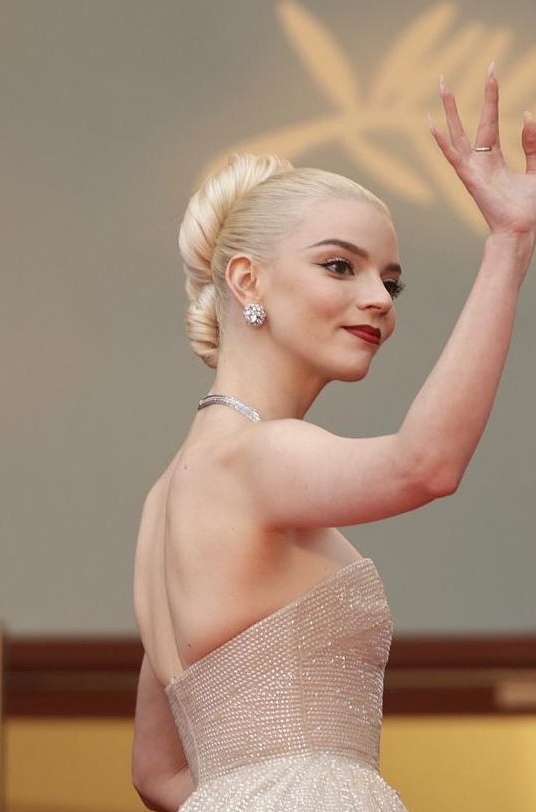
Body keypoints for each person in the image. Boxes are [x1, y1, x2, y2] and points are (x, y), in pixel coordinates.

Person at [131, 64, 536, 811]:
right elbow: (426, 465)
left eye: (390, 279)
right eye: (337, 266)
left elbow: (157, 775)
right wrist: (507, 246)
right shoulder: (256, 456)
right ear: (246, 282)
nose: (376, 298)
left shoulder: (169, 496)